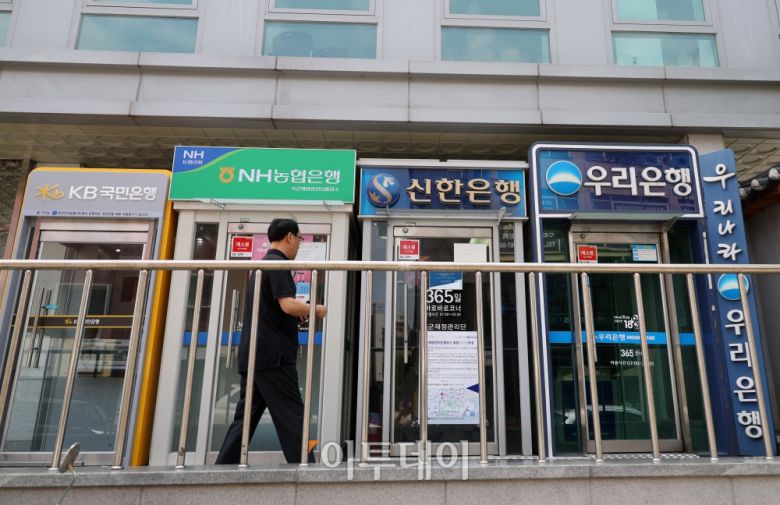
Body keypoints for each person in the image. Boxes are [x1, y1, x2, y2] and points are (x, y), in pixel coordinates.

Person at [215, 218, 326, 464]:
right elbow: (287, 305)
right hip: (273, 356)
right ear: (289, 237)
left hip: (255, 354)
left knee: (245, 419)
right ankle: (307, 471)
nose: (299, 244)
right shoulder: (278, 264)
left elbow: (274, 309)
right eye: (299, 239)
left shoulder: (262, 265)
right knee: (292, 415)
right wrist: (315, 309)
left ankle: (222, 468)